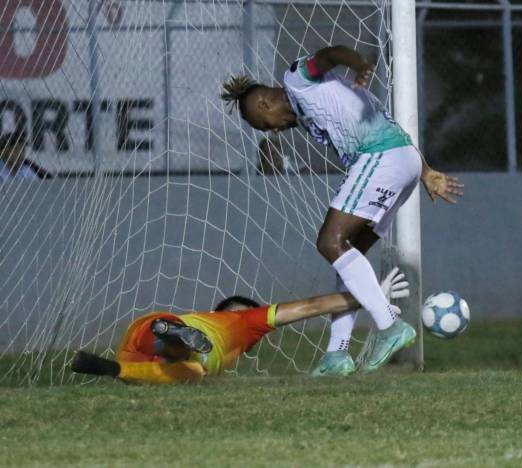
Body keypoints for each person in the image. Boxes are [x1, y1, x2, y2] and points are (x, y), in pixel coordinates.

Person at [220, 46, 463, 376]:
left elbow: (329, 54)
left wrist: (358, 64)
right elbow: (386, 121)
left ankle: (390, 324)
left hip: (380, 158)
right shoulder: (307, 116)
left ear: (263, 103)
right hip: (401, 159)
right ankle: (337, 354)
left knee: (329, 242)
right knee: (348, 256)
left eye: (265, 125)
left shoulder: (296, 79)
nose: (274, 130)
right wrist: (426, 171)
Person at [70, 269, 410, 384]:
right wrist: (371, 298)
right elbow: (311, 307)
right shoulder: (249, 322)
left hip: (145, 339)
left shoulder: (237, 324)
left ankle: (126, 363)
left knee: (183, 368)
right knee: (190, 366)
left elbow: (313, 306)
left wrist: (371, 296)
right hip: (171, 334)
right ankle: (165, 342)